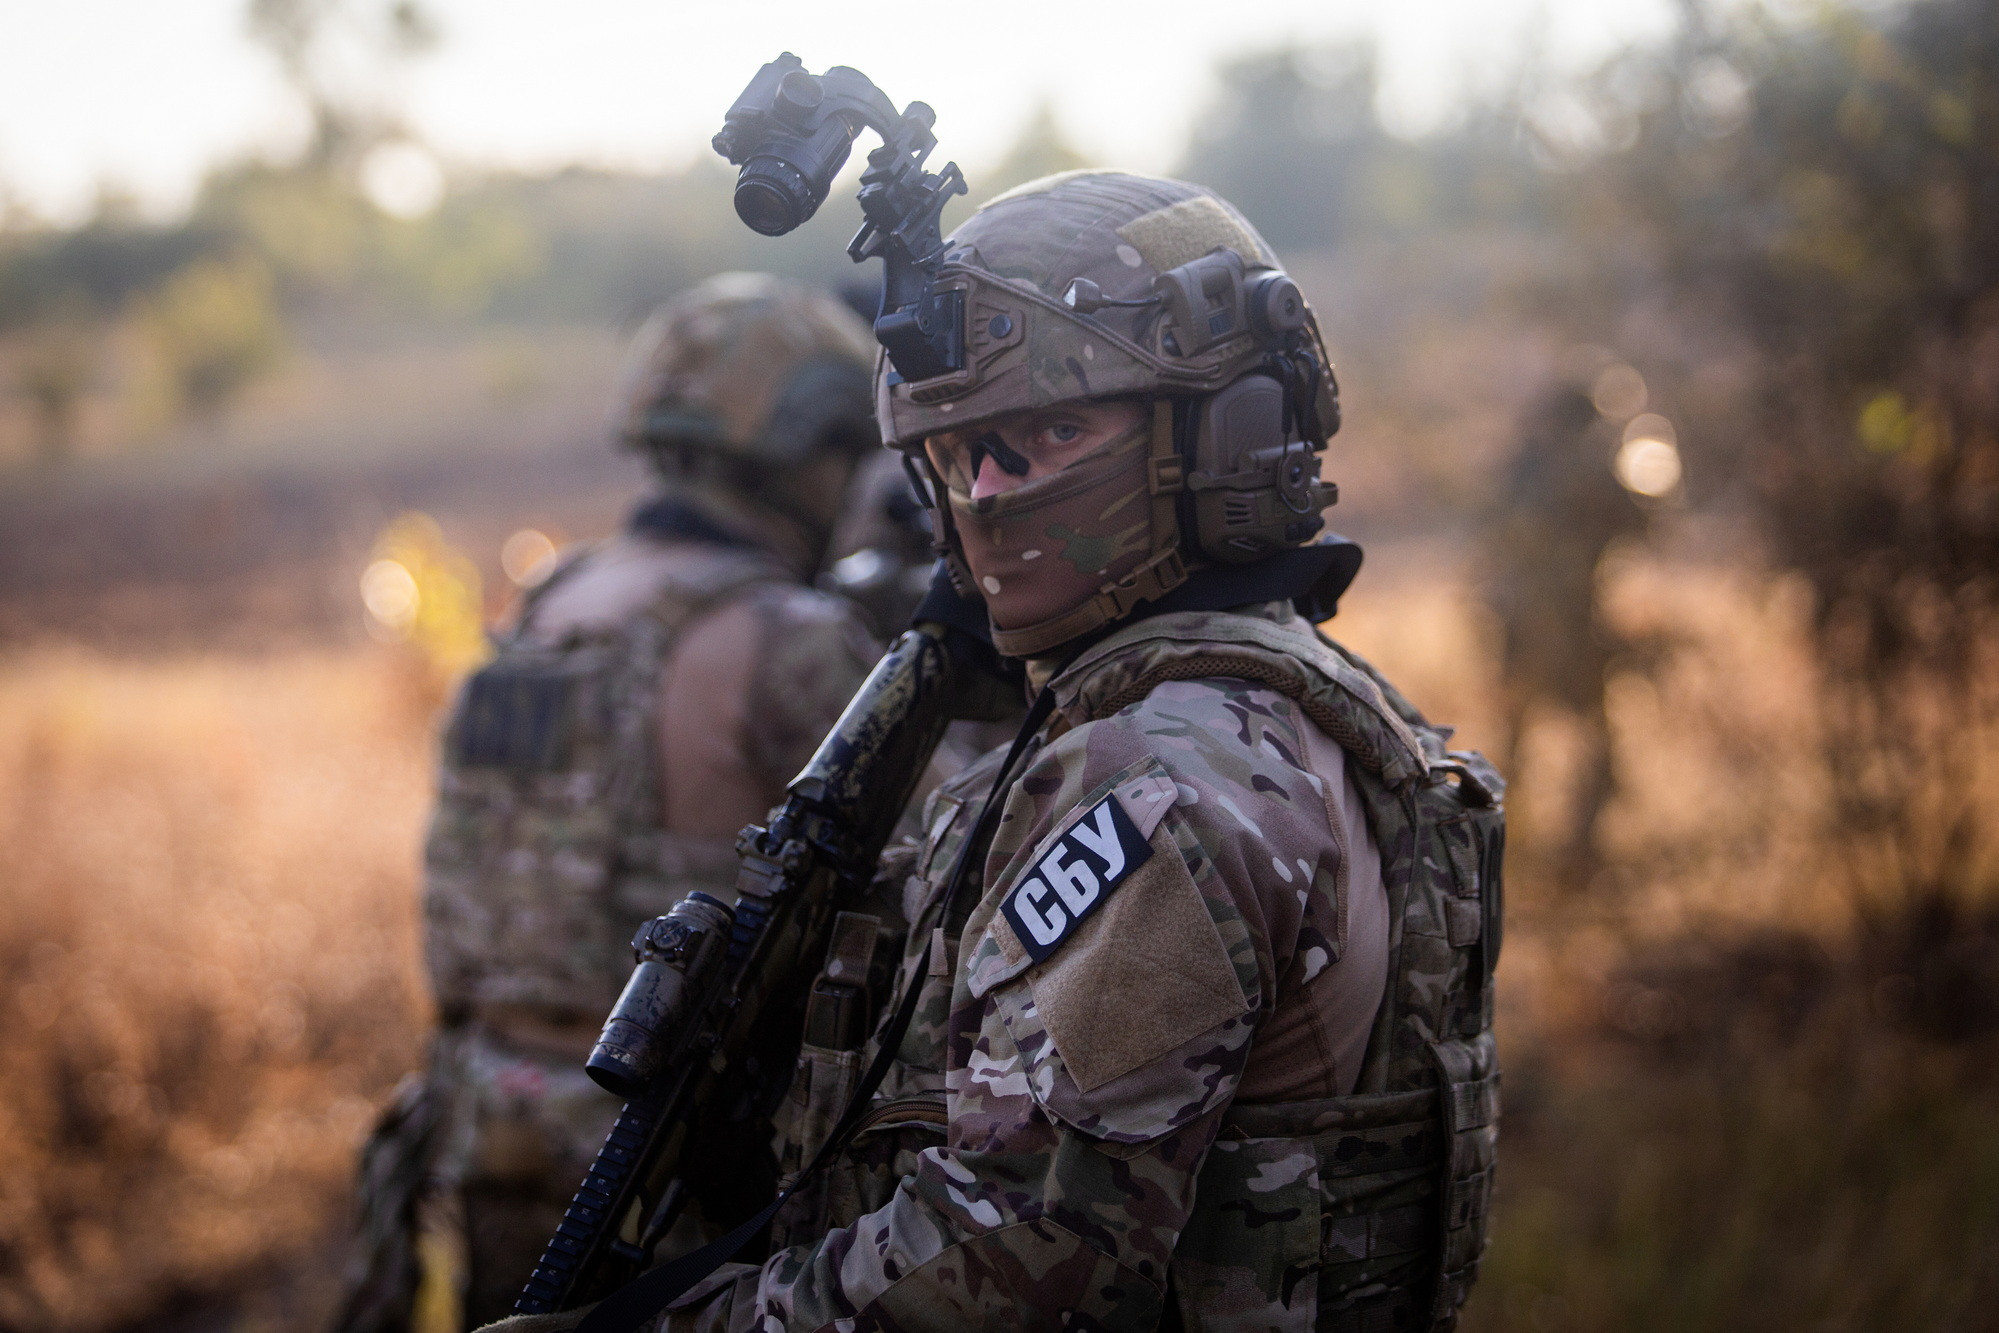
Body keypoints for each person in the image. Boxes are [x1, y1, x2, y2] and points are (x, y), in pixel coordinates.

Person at [487, 171, 1503, 1333]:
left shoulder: (1159, 775)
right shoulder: (1282, 695)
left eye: (1051, 433)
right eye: (961, 450)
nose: (986, 494)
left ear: (1224, 431)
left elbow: (1016, 1254)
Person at [332, 273, 886, 1333]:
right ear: (812, 451)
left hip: (489, 1120)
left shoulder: (553, 603)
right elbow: (941, 866)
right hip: (671, 1159)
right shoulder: (788, 639)